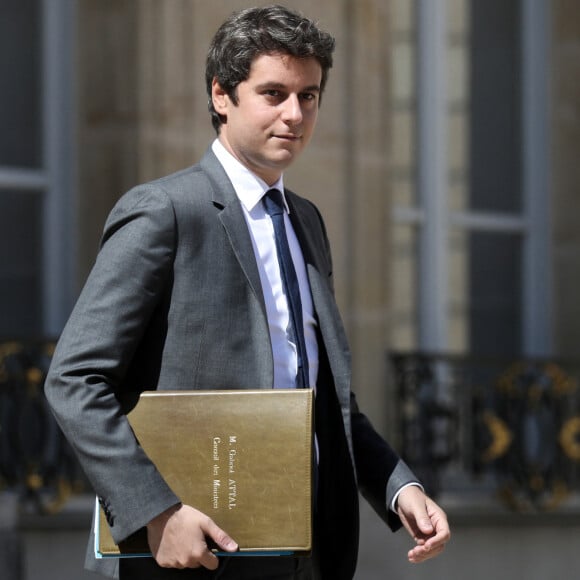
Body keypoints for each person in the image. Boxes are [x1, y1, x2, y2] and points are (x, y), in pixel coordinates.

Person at [45, 5, 450, 579]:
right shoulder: (165, 211)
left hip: (303, 552)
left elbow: (320, 394)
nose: (295, 114)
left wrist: (397, 485)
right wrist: (154, 512)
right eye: (273, 93)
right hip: (190, 557)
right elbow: (75, 379)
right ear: (221, 95)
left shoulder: (306, 222)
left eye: (309, 96)